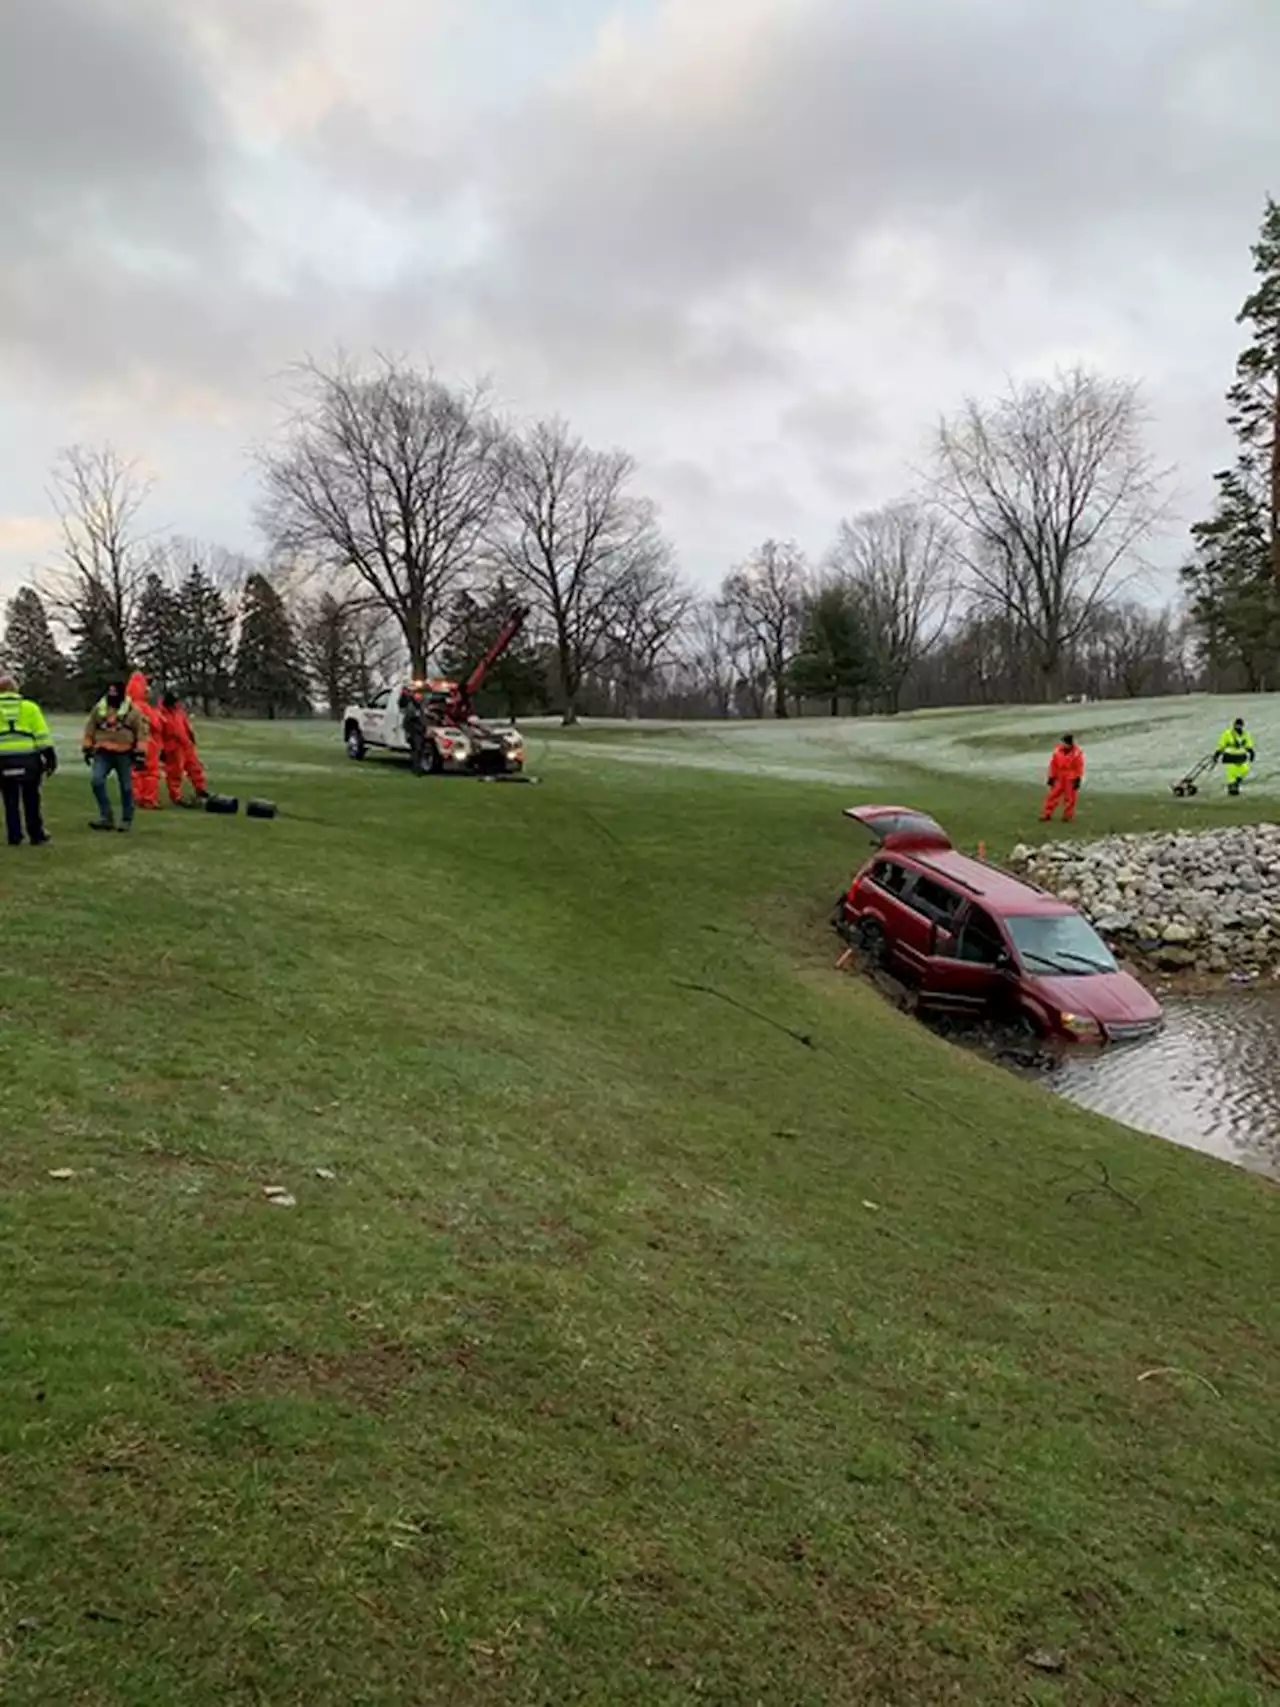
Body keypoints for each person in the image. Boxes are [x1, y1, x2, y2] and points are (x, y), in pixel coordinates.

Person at [83, 679, 147, 832]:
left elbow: (141, 732)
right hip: (102, 751)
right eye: (110, 691)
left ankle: (126, 819)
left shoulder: (133, 710)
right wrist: (87, 747)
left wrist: (140, 753)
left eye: (115, 692)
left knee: (126, 787)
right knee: (96, 781)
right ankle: (106, 817)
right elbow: (90, 728)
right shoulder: (99, 709)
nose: (112, 694)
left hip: (124, 753)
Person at [0, 672, 56, 846]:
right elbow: (41, 735)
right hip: (28, 759)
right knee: (32, 798)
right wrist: (50, 758)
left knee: (10, 800)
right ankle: (36, 834)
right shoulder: (30, 708)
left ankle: (14, 835)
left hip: (2, 760)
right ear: (16, 689)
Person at [159, 691, 209, 805]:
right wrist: (161, 750)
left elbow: (186, 726)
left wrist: (192, 740)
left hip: (186, 745)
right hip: (173, 747)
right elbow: (159, 733)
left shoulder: (179, 712)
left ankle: (201, 789)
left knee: (195, 768)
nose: (176, 704)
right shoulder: (161, 714)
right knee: (174, 773)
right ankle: (176, 796)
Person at [125, 670, 162, 809]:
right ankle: (149, 799)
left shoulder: (127, 705)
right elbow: (156, 725)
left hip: (131, 741)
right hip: (147, 742)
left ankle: (136, 796)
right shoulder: (143, 706)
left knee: (135, 771)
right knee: (151, 771)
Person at [1041, 732, 1085, 823]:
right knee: (1052, 796)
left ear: (1068, 743)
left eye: (1064, 742)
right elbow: (1053, 764)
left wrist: (1078, 779)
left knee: (1070, 798)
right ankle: (1046, 814)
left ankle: (1067, 816)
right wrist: (1051, 777)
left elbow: (1079, 766)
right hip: (1059, 776)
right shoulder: (1057, 750)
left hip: (1071, 777)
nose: (1062, 744)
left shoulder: (1077, 753)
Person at [1214, 716, 1255, 797]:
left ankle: (1236, 783)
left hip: (1241, 757)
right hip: (1230, 757)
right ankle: (1232, 787)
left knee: (1245, 769)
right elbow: (1221, 745)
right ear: (1234, 725)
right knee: (1231, 773)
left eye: (1240, 725)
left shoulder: (1245, 735)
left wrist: (1252, 753)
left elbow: (1248, 746)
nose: (1238, 727)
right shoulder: (1227, 734)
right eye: (1237, 725)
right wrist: (1217, 754)